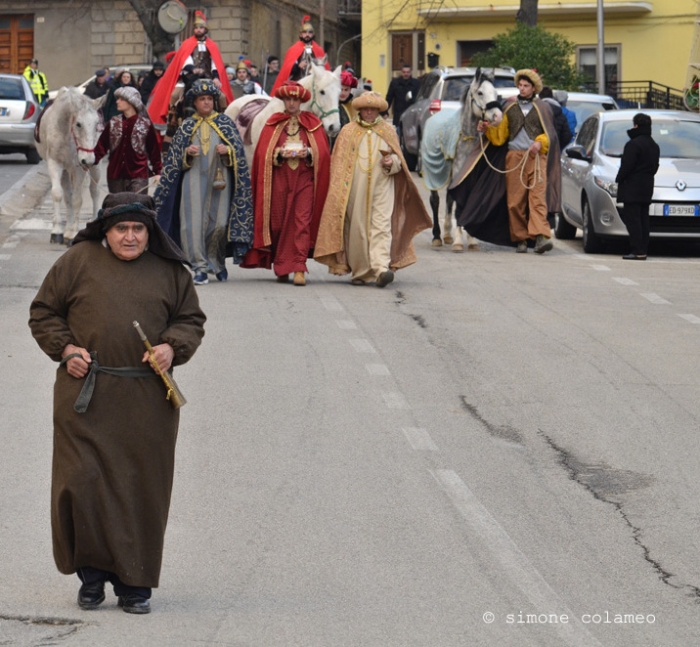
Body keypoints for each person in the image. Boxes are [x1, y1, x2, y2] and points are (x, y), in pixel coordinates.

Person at [28, 192, 206, 615]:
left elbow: (190, 321)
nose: (130, 237)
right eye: (121, 229)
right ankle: (91, 577)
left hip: (147, 401)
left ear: (149, 232)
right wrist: (67, 350)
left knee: (139, 489)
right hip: (85, 397)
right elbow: (43, 313)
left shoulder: (170, 272)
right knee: (82, 485)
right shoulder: (76, 262)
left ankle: (135, 582)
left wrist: (171, 347)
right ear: (106, 232)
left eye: (138, 229)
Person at [314, 91, 432, 287]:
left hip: (383, 186)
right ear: (359, 110)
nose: (369, 113)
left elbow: (398, 160)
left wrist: (391, 162)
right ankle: (360, 272)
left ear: (378, 111)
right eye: (366, 109)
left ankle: (380, 269)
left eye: (373, 109)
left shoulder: (388, 130)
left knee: (382, 226)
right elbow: (338, 163)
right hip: (355, 189)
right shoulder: (348, 131)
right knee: (358, 229)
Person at [155, 79, 254, 285]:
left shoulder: (225, 124)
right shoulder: (187, 125)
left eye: (210, 99)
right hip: (193, 180)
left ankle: (216, 263)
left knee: (219, 224)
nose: (207, 103)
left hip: (221, 181)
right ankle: (199, 267)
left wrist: (228, 152)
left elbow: (239, 155)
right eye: (202, 99)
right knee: (192, 224)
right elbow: (173, 160)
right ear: (196, 102)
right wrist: (186, 153)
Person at [241, 81, 330, 285]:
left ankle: (299, 266)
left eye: (295, 99)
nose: (291, 103)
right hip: (279, 179)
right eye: (288, 99)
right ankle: (282, 265)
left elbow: (323, 153)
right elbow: (262, 154)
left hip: (304, 179)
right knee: (278, 223)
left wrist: (309, 153)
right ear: (283, 100)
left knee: (302, 221)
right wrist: (277, 154)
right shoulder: (274, 123)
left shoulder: (312, 122)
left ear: (301, 101)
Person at [478, 69, 559, 254]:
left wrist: (540, 143)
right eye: (520, 85)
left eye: (526, 86)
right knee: (515, 202)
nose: (522, 89)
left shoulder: (543, 108)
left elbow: (550, 134)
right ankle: (520, 238)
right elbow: (501, 137)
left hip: (537, 158)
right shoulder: (510, 108)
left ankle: (540, 237)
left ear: (534, 88)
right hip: (514, 157)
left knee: (537, 199)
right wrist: (487, 129)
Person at [148, 10, 233, 130]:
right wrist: (193, 69)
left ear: (205, 30)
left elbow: (215, 64)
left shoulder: (212, 45)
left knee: (222, 97)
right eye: (196, 28)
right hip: (188, 78)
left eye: (201, 28)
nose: (198, 30)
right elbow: (185, 61)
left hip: (207, 78)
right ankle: (172, 120)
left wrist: (216, 78)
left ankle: (224, 120)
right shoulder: (187, 44)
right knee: (174, 95)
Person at [94, 86, 162, 195]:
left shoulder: (145, 124)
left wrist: (158, 171)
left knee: (137, 208)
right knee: (117, 209)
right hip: (115, 176)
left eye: (121, 99)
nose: (117, 101)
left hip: (138, 175)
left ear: (131, 102)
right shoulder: (113, 122)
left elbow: (154, 150)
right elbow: (102, 145)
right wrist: (91, 161)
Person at [616, 112, 660, 260]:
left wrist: (619, 179)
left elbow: (627, 166)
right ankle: (643, 249)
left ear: (636, 125)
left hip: (632, 188)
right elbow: (655, 167)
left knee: (633, 221)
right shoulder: (654, 145)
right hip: (647, 186)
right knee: (643, 220)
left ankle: (637, 251)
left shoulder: (633, 144)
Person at [271, 15, 329, 95]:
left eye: (310, 32)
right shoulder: (293, 49)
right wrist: (297, 66)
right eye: (305, 32)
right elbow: (287, 69)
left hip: (315, 86)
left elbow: (325, 70)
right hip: (297, 84)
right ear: (301, 34)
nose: (307, 35)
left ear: (313, 34)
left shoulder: (318, 50)